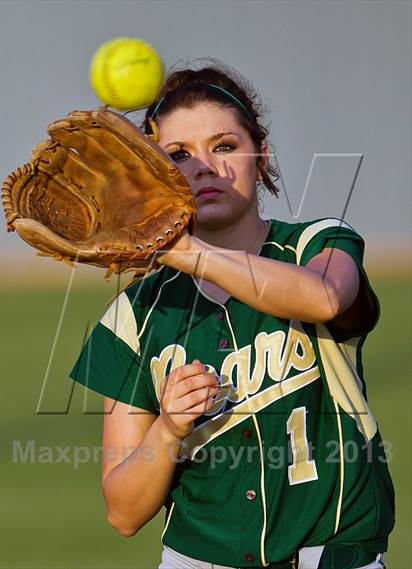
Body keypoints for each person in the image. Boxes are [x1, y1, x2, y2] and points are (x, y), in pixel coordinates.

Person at [69, 59, 395, 569]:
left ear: (261, 156)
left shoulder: (317, 244)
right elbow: (123, 512)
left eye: (224, 146)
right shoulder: (136, 313)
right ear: (155, 177)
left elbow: (325, 299)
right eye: (177, 155)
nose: (204, 166)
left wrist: (187, 252)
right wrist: (168, 429)